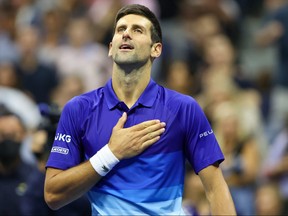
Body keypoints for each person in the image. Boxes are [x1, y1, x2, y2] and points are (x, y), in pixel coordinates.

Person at [44, 4, 236, 215]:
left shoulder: (183, 108)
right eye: (120, 30)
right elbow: (53, 195)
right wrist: (111, 153)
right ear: (110, 47)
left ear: (156, 49)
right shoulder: (78, 109)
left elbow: (216, 189)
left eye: (137, 30)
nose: (126, 34)